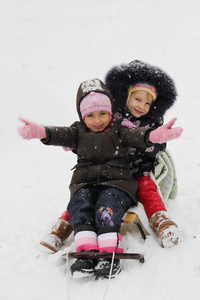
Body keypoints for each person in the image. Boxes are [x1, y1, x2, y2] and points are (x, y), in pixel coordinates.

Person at [18, 78, 182, 279]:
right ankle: (86, 249)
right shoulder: (77, 132)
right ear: (82, 116)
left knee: (107, 205)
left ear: (110, 112)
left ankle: (108, 250)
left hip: (117, 184)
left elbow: (137, 135)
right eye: (91, 115)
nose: (97, 120)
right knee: (80, 204)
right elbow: (59, 134)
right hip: (85, 184)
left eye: (103, 113)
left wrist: (153, 136)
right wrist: (42, 132)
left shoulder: (119, 129)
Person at [105, 59, 180, 248]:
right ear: (126, 97)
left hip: (140, 168)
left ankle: (160, 219)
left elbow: (159, 145)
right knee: (91, 190)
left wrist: (154, 140)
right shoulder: (113, 117)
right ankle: (66, 222)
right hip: (113, 169)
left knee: (147, 189)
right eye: (137, 99)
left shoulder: (152, 121)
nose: (142, 106)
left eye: (148, 103)